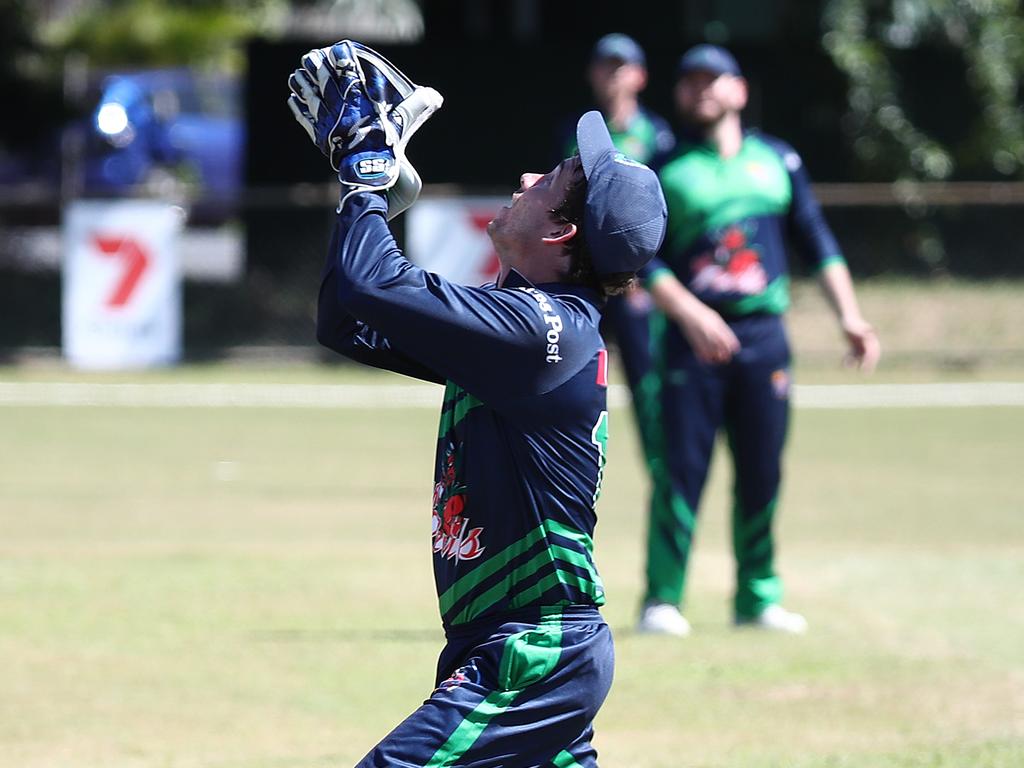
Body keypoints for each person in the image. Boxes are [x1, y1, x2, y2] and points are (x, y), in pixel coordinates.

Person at [288, 41, 668, 767]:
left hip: (534, 651)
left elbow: (375, 286)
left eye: (549, 180)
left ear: (561, 232)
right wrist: (370, 197)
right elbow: (346, 319)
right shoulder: (526, 324)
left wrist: (368, 172)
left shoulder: (541, 332)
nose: (526, 177)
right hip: (512, 643)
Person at [636, 44, 880, 637]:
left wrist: (850, 315)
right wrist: (691, 315)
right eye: (689, 81)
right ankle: (663, 600)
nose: (700, 91)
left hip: (764, 337)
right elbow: (642, 257)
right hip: (691, 340)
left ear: (739, 91)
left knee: (763, 470)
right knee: (681, 471)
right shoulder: (663, 169)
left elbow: (817, 243)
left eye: (712, 80)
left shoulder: (778, 161)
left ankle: (757, 597)